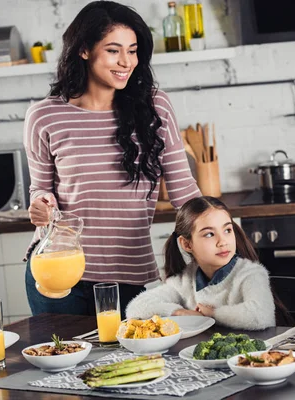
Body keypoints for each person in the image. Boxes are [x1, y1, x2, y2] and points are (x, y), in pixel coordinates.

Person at [23, 1, 200, 317]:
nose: (126, 62)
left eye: (132, 51)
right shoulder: (44, 116)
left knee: (129, 363)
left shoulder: (155, 107)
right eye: (113, 50)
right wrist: (40, 205)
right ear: (84, 50)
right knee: (62, 363)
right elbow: (40, 190)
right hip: (59, 271)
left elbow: (184, 193)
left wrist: (219, 240)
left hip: (127, 273)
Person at [125, 196, 276, 330]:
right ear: (187, 244)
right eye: (209, 234)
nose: (222, 241)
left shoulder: (251, 274)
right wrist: (179, 312)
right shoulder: (185, 280)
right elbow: (136, 307)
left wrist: (213, 313)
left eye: (227, 230)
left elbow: (261, 316)